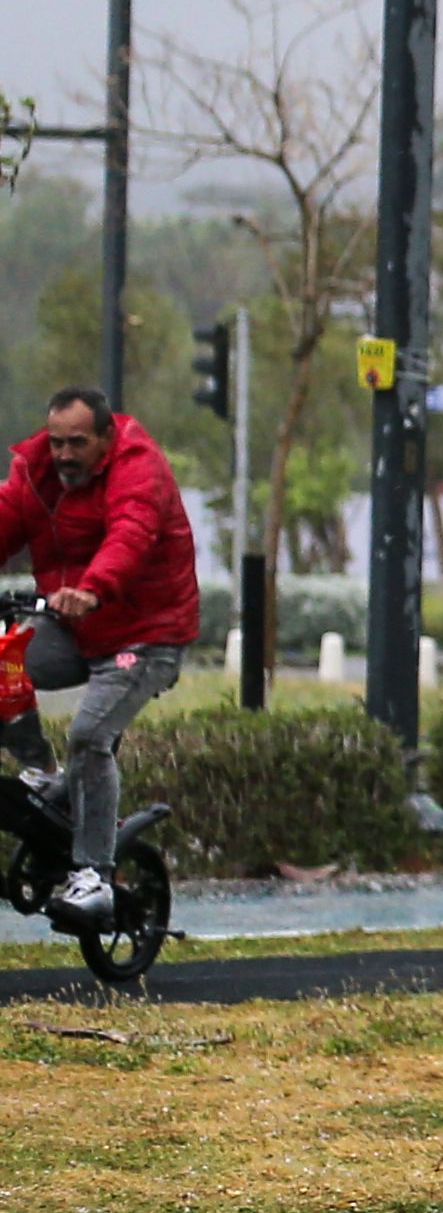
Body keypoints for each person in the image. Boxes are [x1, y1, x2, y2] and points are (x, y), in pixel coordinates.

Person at [3, 386, 201, 928]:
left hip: (145, 636)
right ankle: (42, 773)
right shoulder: (36, 472)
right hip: (77, 628)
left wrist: (93, 588)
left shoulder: (140, 468)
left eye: (78, 443)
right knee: (4, 666)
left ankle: (92, 875)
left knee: (90, 736)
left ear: (107, 440)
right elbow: (5, 519)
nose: (64, 454)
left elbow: (131, 532)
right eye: (57, 441)